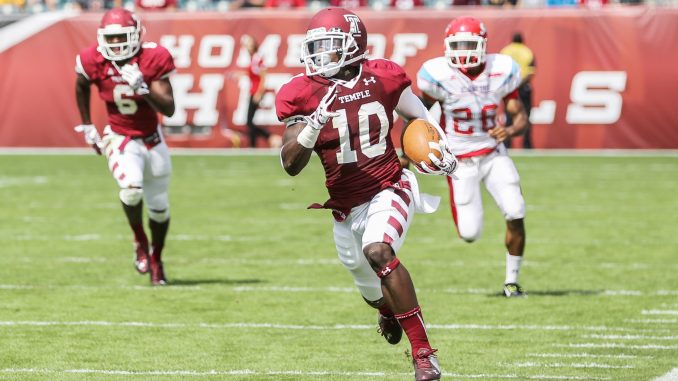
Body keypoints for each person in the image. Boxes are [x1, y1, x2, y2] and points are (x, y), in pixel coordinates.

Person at [276, 8, 457, 381]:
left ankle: (424, 354)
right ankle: (388, 309)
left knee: (378, 250)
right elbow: (291, 164)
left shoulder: (383, 77)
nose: (317, 56)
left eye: (327, 47)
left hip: (389, 185)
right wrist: (310, 129)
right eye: (315, 47)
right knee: (372, 292)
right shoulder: (302, 92)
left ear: (353, 45)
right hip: (345, 208)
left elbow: (419, 118)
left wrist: (440, 148)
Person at [415, 16, 530, 297]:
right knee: (469, 233)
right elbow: (417, 116)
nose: (463, 51)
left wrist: (510, 129)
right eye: (457, 45)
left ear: (483, 45)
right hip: (459, 159)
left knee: (516, 210)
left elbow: (521, 117)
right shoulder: (437, 75)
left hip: (493, 153)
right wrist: (416, 150)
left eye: (469, 44)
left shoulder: (501, 70)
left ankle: (511, 281)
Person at [74, 8, 176, 286]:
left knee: (159, 208)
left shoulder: (153, 57)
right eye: (112, 38)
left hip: (153, 138)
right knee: (131, 190)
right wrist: (87, 125)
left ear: (136, 35)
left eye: (122, 37)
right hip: (120, 137)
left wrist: (144, 87)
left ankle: (156, 259)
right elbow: (81, 84)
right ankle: (140, 241)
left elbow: (169, 109)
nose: (117, 44)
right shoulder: (92, 58)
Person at [500, 32, 536, 149]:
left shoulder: (505, 51)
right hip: (523, 87)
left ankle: (507, 144)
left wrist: (510, 84)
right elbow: (531, 72)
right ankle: (527, 145)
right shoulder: (527, 51)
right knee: (526, 116)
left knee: (508, 116)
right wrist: (520, 83)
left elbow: (500, 71)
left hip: (509, 87)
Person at [242, 35, 278, 148]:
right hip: (253, 91)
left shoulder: (257, 58)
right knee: (250, 121)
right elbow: (253, 75)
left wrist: (259, 93)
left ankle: (269, 137)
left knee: (249, 121)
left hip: (256, 92)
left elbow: (263, 76)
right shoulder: (252, 59)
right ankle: (252, 145)